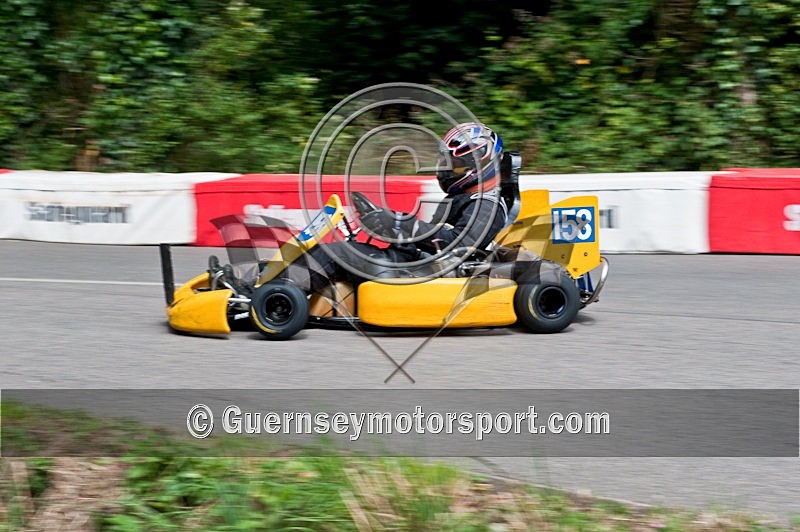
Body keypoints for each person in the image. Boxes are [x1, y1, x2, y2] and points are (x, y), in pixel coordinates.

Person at [272, 121, 509, 293]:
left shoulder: (487, 205)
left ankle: (278, 294)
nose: (447, 171)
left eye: (456, 165)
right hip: (419, 264)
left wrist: (400, 224)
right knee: (347, 248)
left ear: (480, 163)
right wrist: (390, 224)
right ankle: (272, 284)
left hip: (430, 276)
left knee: (337, 254)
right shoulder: (467, 199)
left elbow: (460, 245)